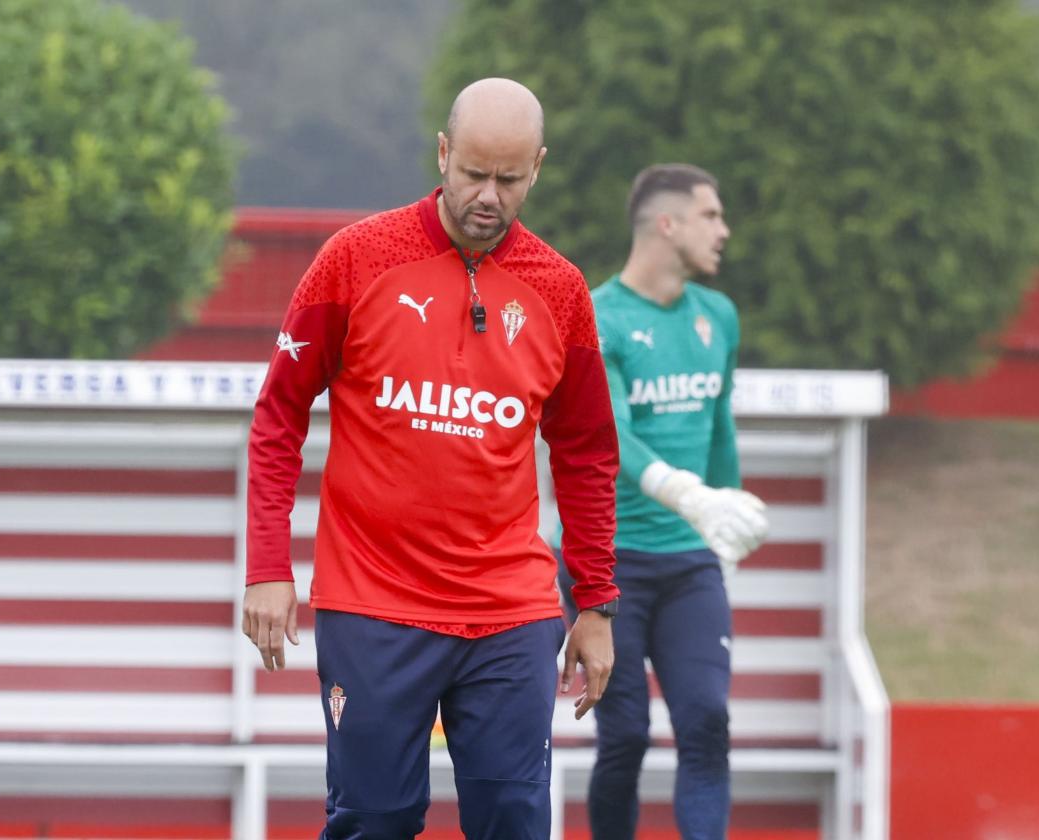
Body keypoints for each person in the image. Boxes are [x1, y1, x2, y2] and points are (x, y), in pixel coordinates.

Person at [243, 77, 621, 840]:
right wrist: (266, 567)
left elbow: (584, 452)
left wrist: (597, 602)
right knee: (374, 820)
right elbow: (279, 413)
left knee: (516, 820)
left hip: (509, 609)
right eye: (474, 173)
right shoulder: (354, 260)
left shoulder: (562, 291)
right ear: (443, 154)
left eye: (509, 180)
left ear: (537, 169)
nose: (489, 195)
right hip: (373, 604)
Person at [557, 164, 769, 840]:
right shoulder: (597, 313)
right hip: (607, 565)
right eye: (712, 216)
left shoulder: (718, 317)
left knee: (707, 721)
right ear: (667, 223)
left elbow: (719, 425)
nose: (724, 231)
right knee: (625, 737)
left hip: (689, 563)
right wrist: (686, 495)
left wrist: (723, 516)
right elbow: (610, 431)